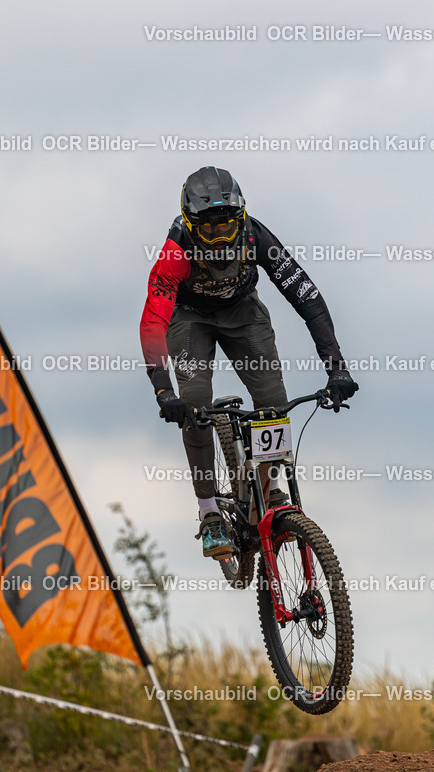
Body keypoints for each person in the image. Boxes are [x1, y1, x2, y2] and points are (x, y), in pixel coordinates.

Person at [139, 166, 358, 557]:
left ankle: (270, 491)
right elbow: (154, 320)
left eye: (227, 226)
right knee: (195, 401)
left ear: (240, 218)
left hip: (243, 313)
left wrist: (336, 366)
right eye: (209, 230)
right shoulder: (176, 252)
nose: (220, 236)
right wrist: (163, 390)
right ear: (192, 224)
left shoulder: (256, 236)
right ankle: (209, 514)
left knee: (272, 396)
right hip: (190, 318)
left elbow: (306, 296)